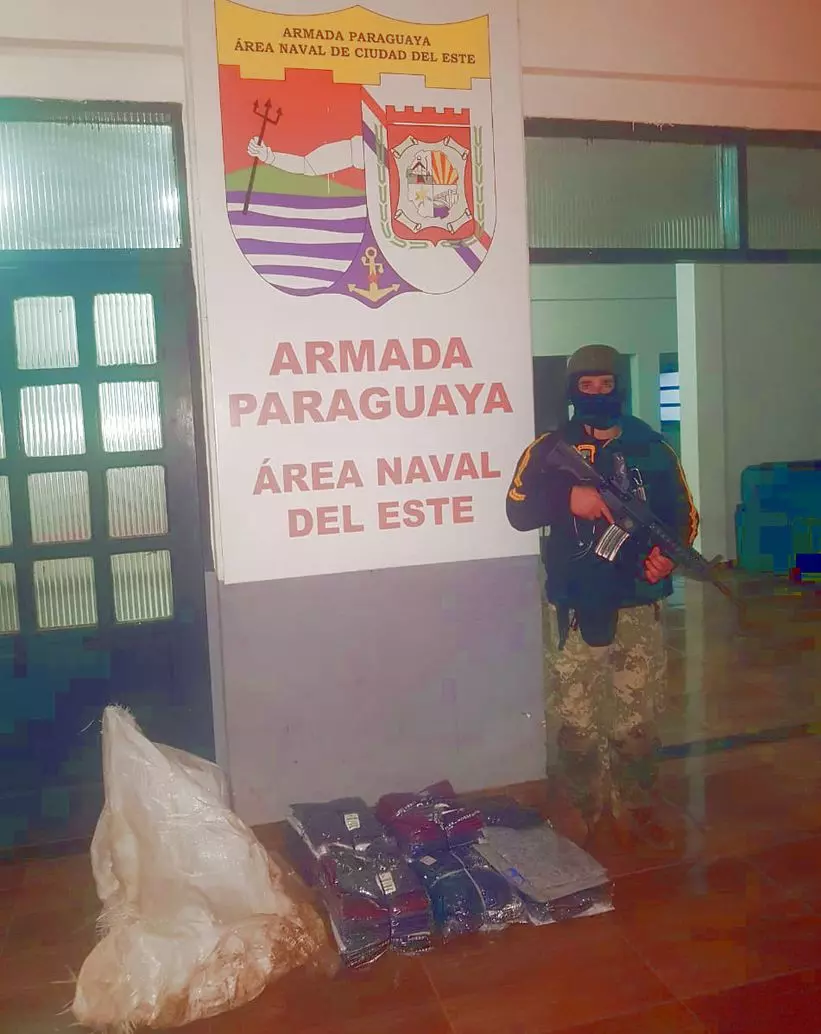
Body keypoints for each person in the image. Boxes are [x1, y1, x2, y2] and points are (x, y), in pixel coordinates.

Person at [506, 345, 698, 847]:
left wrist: (667, 557)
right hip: (575, 604)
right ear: (573, 390)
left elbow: (682, 516)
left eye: (605, 384)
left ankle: (635, 805)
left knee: (637, 720)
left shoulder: (651, 446)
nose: (596, 393)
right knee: (577, 721)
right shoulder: (550, 448)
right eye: (586, 385)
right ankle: (583, 810)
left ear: (620, 386)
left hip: (638, 602)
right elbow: (517, 510)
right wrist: (567, 497)